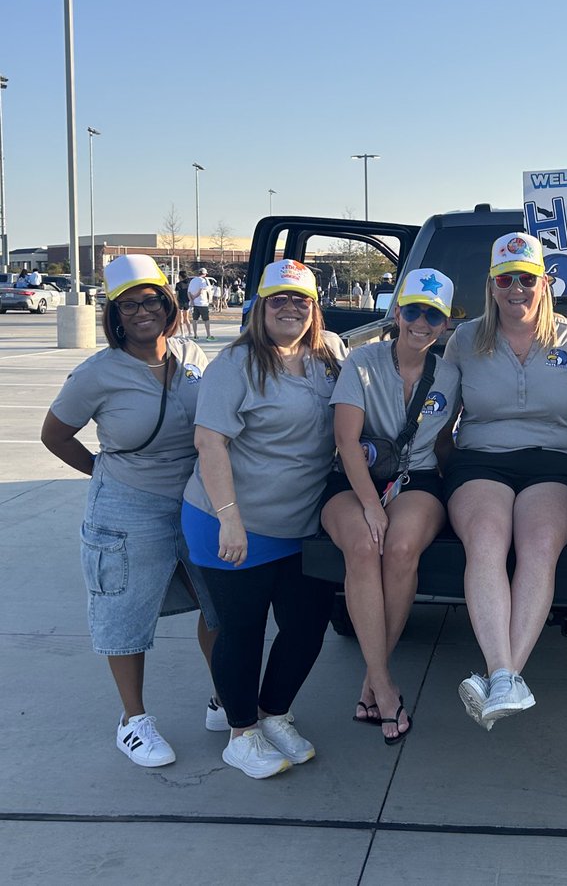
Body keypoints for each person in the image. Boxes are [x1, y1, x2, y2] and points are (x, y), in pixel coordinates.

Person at [40, 254, 219, 768]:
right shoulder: (97, 373)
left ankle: (223, 697)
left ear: (170, 304)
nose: (143, 312)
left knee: (219, 604)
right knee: (124, 610)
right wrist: (102, 470)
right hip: (128, 503)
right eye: (129, 304)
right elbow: (54, 435)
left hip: (195, 497)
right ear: (114, 315)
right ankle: (133, 720)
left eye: (153, 300)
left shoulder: (192, 356)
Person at [183, 258, 347, 779]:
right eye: (278, 299)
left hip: (301, 525)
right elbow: (209, 442)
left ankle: (274, 712)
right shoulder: (234, 365)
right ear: (259, 306)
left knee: (306, 626)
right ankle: (240, 731)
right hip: (232, 523)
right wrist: (230, 519)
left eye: (301, 299)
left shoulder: (330, 355)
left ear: (315, 307)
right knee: (243, 630)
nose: (291, 308)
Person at [442, 232, 567, 729]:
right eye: (506, 280)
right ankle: (506, 677)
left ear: (545, 283)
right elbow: (438, 411)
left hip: (553, 460)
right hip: (481, 457)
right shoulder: (465, 338)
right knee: (484, 539)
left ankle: (502, 676)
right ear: (491, 285)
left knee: (540, 544)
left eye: (527, 279)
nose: (516, 290)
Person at [321, 268, 460, 744]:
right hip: (353, 477)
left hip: (416, 478)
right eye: (414, 310)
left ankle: (372, 681)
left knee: (400, 549)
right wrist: (371, 505)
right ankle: (383, 682)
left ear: (445, 324)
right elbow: (345, 439)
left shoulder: (451, 374)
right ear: (396, 312)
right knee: (363, 545)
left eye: (434, 315)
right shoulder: (361, 362)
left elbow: (444, 442)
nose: (422, 323)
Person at [187, 268, 215, 341]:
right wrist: (195, 297)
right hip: (202, 303)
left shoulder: (192, 280)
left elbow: (189, 292)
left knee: (195, 319)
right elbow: (201, 291)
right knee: (206, 320)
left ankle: (195, 335)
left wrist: (191, 300)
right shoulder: (203, 281)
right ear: (204, 274)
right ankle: (208, 335)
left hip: (194, 303)